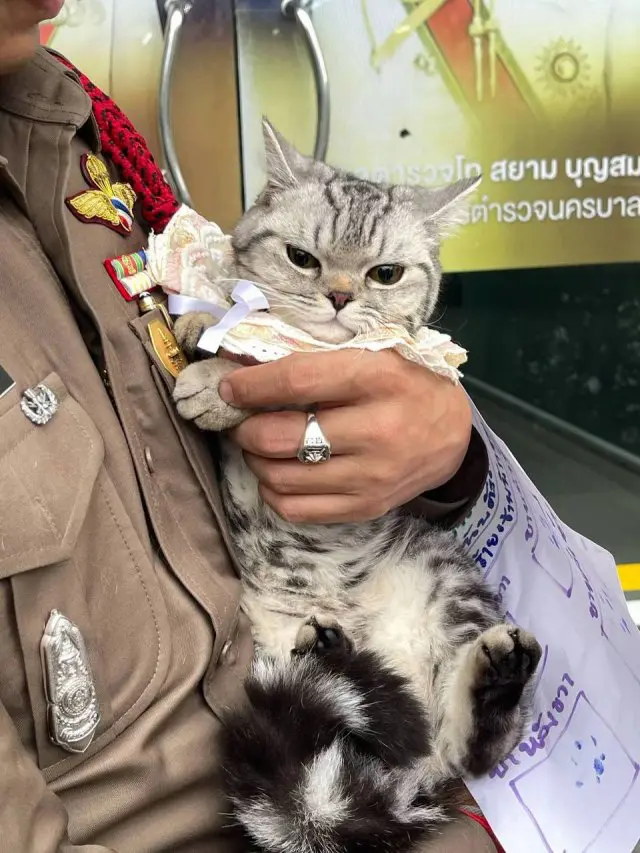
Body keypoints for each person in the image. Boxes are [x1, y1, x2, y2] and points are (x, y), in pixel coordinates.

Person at [0, 1, 499, 850]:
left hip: (356, 721)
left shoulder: (80, 132)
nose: (60, 3)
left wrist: (439, 459)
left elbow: (172, 447)